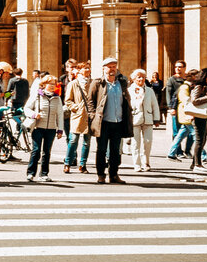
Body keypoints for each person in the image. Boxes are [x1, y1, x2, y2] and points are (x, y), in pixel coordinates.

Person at [87, 56, 132, 184]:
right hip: (103, 122)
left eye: (114, 67)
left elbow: (126, 99)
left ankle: (113, 175)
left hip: (118, 122)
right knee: (101, 149)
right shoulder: (98, 83)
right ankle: (101, 175)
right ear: (103, 69)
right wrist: (92, 116)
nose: (112, 69)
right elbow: (90, 101)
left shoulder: (121, 83)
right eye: (109, 67)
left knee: (115, 151)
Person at [22, 74, 64, 182]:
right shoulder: (37, 96)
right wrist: (34, 114)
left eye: (54, 84)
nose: (52, 86)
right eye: (49, 84)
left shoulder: (57, 98)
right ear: (43, 84)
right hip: (38, 127)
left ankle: (44, 174)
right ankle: (31, 173)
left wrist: (60, 129)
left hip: (51, 128)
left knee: (47, 152)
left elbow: (60, 114)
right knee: (36, 150)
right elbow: (26, 108)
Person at [128, 68, 162, 172]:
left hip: (147, 119)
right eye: (138, 77)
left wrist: (157, 119)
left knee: (148, 142)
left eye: (143, 77)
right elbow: (127, 106)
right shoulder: (129, 91)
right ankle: (137, 164)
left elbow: (155, 105)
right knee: (135, 143)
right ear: (134, 79)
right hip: (134, 119)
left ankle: (146, 162)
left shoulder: (150, 90)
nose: (141, 79)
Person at [183, 67, 207, 172]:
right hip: (198, 116)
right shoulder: (199, 86)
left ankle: (194, 163)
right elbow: (194, 100)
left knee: (203, 139)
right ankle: (197, 164)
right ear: (205, 77)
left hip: (203, 116)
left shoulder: (206, 86)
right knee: (199, 140)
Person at [63, 62, 91, 174]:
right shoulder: (74, 84)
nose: (88, 70)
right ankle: (67, 163)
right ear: (79, 70)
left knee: (87, 142)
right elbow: (68, 100)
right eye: (85, 68)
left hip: (89, 116)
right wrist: (76, 107)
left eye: (89, 68)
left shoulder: (93, 83)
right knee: (73, 140)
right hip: (77, 116)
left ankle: (83, 165)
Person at [166, 61, 191, 161]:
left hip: (187, 108)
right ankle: (178, 151)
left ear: (184, 68)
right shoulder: (172, 79)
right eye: (176, 67)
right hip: (176, 108)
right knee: (177, 131)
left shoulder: (187, 80)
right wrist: (170, 108)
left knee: (189, 130)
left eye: (180, 67)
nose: (177, 69)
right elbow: (168, 94)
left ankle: (188, 150)